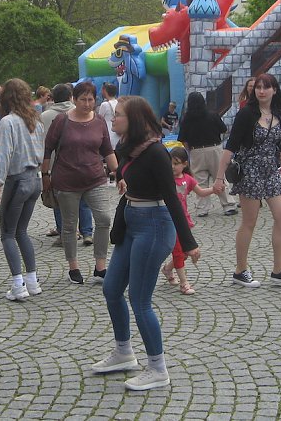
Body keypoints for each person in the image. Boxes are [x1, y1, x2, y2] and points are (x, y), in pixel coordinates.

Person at [94, 96, 200, 391]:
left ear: (135, 120)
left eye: (118, 116)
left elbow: (172, 198)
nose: (112, 120)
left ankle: (157, 369)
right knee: (112, 289)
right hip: (132, 222)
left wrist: (189, 243)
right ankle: (124, 353)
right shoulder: (127, 147)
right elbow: (124, 175)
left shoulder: (155, 153)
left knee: (140, 301)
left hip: (155, 225)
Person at [214, 73, 281, 288]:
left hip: (271, 171)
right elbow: (231, 146)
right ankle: (240, 270)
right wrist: (219, 177)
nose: (261, 91)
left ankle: (278, 270)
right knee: (249, 221)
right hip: (250, 170)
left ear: (274, 90)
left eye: (266, 87)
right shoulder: (246, 114)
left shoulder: (279, 114)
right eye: (258, 88)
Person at [42, 81, 118, 285]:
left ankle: (100, 266)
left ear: (95, 100)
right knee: (69, 226)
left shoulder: (100, 121)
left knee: (103, 219)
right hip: (66, 181)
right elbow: (48, 148)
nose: (87, 103)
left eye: (90, 99)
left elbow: (107, 150)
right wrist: (45, 175)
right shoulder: (61, 120)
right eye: (82, 99)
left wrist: (119, 173)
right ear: (74, 100)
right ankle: (73, 266)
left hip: (95, 179)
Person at [0, 78, 45, 301]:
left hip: (18, 181)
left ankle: (18, 284)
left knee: (7, 234)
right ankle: (32, 281)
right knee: (22, 231)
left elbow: (3, 154)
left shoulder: (8, 122)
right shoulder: (36, 121)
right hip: (35, 180)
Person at [41, 83, 93, 243]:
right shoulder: (82, 112)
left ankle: (64, 231)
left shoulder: (44, 116)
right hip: (82, 162)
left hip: (55, 166)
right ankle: (87, 232)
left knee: (58, 200)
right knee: (83, 199)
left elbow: (42, 143)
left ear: (53, 98)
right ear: (71, 97)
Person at [160, 146, 215, 295]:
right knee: (178, 252)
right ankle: (184, 283)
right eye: (170, 163)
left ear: (185, 164)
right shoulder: (166, 180)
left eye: (176, 163)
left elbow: (201, 192)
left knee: (184, 253)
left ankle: (167, 269)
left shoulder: (187, 179)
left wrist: (214, 189)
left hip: (184, 221)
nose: (172, 166)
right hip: (170, 221)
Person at [178, 92, 238, 217]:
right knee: (220, 177)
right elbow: (223, 129)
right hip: (214, 148)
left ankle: (202, 209)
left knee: (200, 181)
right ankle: (228, 205)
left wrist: (190, 151)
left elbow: (183, 139)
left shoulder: (186, 119)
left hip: (196, 150)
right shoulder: (212, 115)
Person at [98, 82, 120, 150]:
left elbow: (99, 119)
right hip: (118, 135)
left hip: (108, 134)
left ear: (105, 91)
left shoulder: (104, 104)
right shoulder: (118, 102)